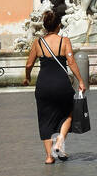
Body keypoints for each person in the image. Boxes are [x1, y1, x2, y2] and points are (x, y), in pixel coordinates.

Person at [23, 8, 85, 164]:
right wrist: (81, 81)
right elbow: (71, 62)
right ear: (58, 25)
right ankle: (60, 140)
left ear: (44, 26)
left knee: (44, 119)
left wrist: (27, 77)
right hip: (61, 84)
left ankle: (49, 157)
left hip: (43, 85)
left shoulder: (38, 43)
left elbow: (29, 63)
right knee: (69, 113)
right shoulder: (64, 41)